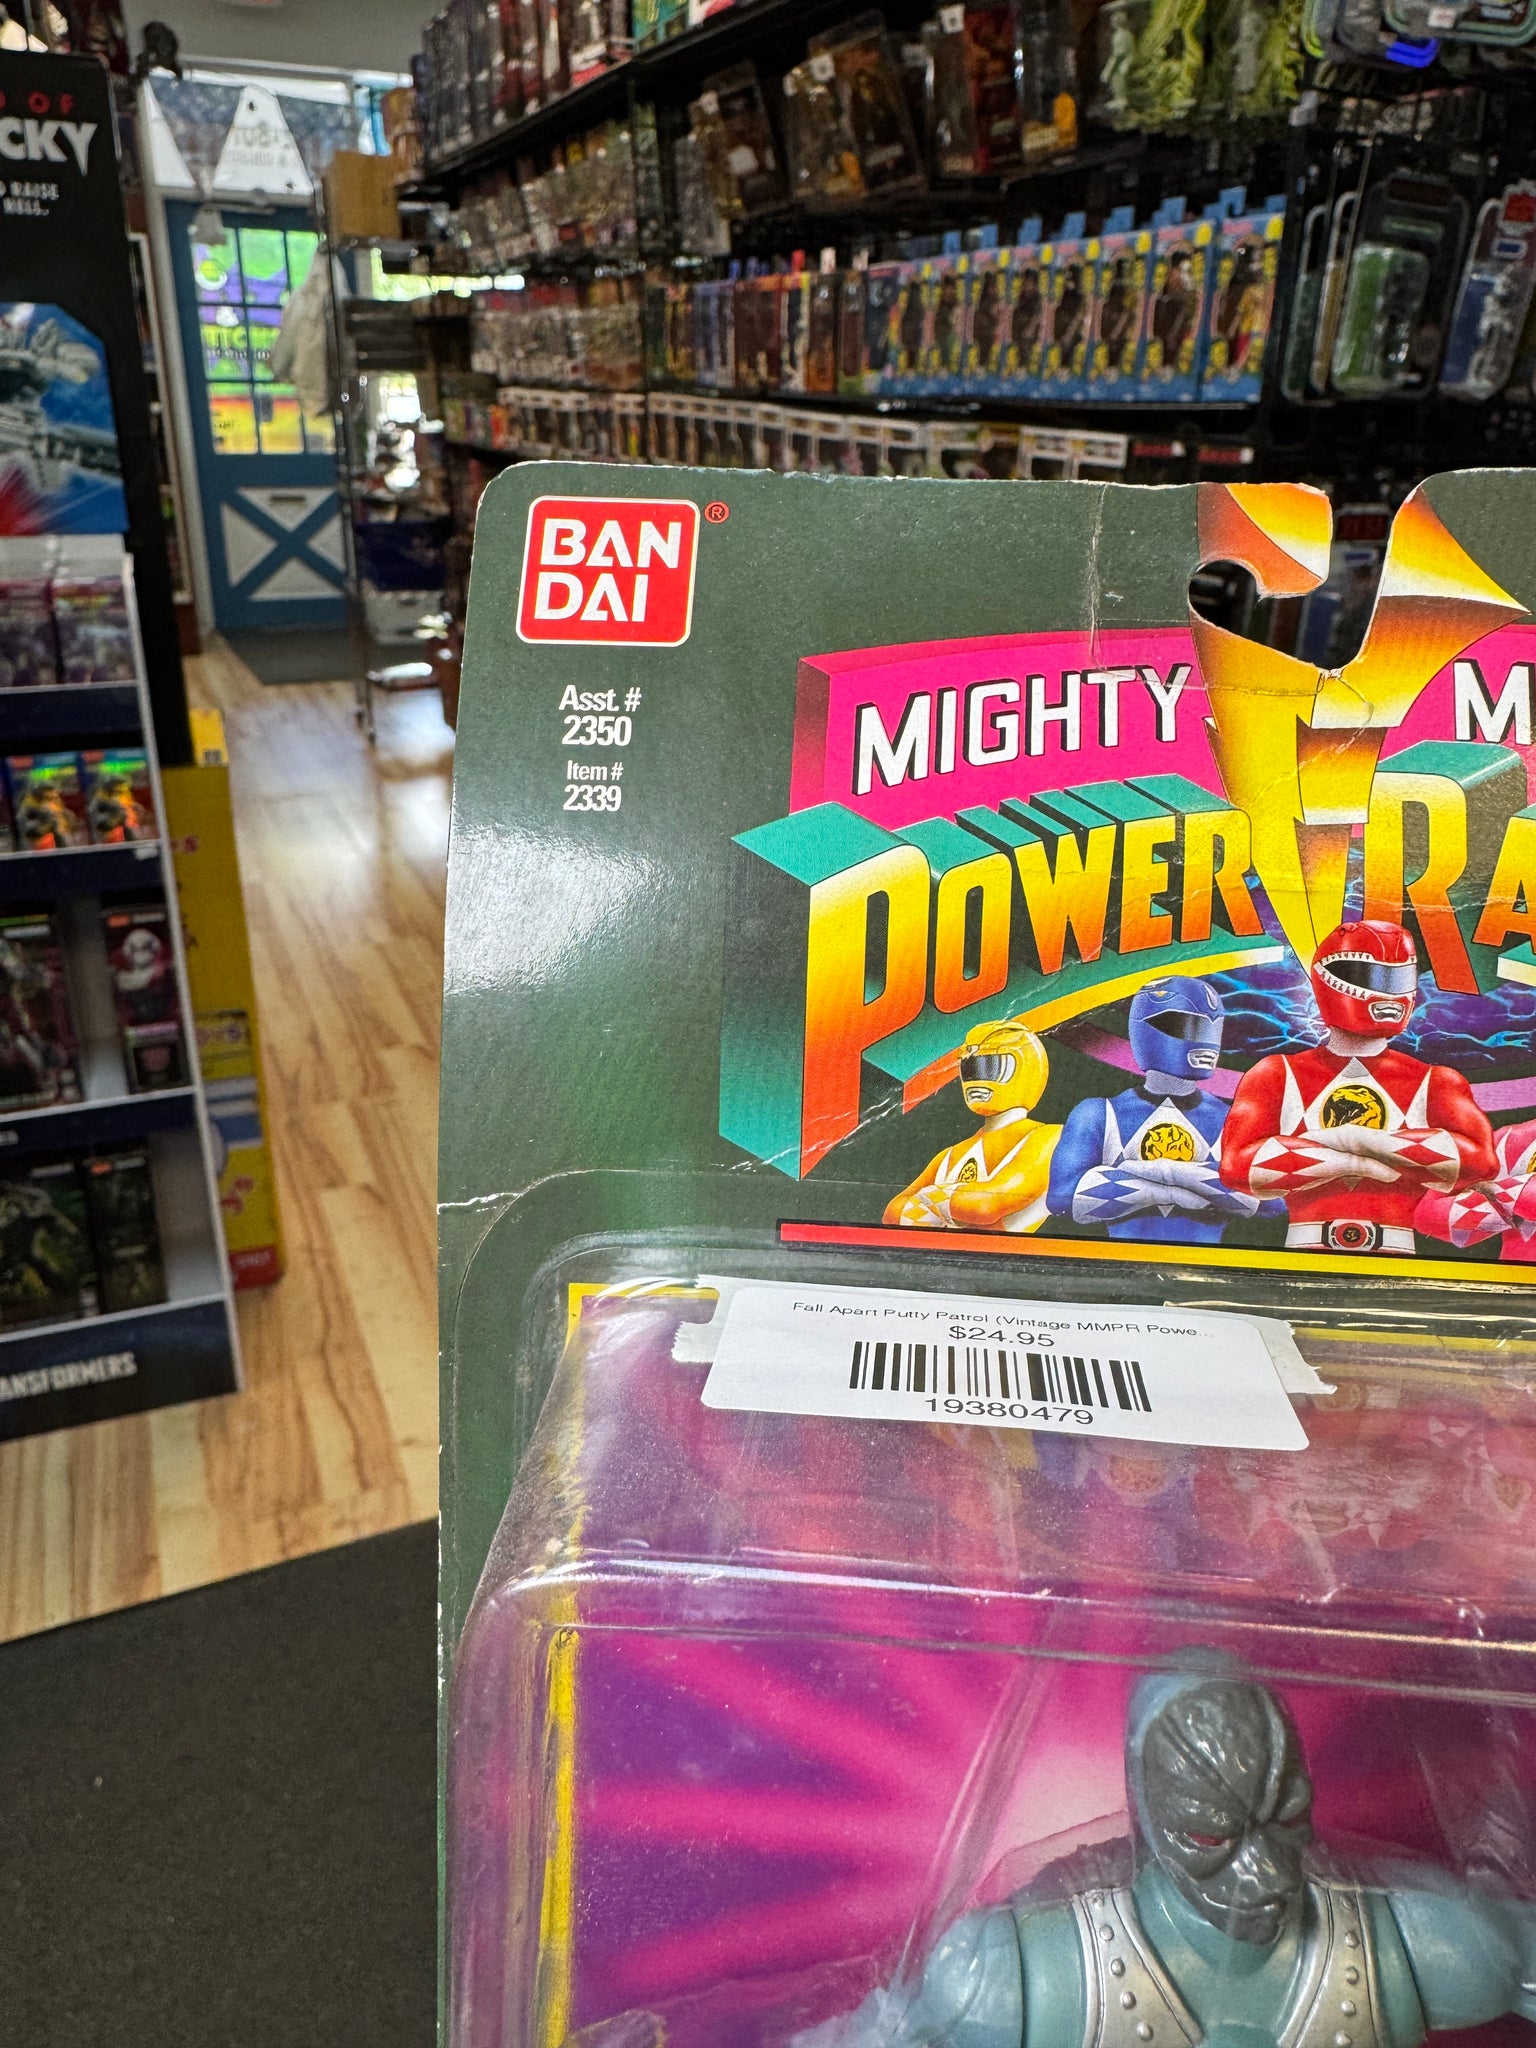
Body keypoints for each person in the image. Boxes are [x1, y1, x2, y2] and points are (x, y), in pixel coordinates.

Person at [798, 1667, 1536, 2048]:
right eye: (1213, 1839)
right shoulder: (1013, 1975)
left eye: (1286, 1818)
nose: (1266, 1873)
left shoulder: (1418, 1941)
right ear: (1147, 1815)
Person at [1222, 921, 1494, 1258]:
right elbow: (1238, 1167)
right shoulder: (1277, 1073)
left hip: (1399, 1252)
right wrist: (1356, 1161)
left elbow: (1479, 1162)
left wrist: (1353, 1139)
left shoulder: (1437, 1080)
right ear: (1328, 979)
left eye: (1397, 979)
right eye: (1372, 977)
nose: (1389, 993)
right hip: (1304, 1250)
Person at [1047, 977, 1272, 1244]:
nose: (1205, 1040)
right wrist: (1197, 1186)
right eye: (1188, 1025)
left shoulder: (1231, 1118)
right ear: (1145, 1028)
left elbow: (1272, 1201)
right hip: (1123, 1260)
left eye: (1212, 1027)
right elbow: (1062, 1199)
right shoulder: (1099, 1113)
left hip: (1203, 1263)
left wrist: (1158, 1173)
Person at [884, 1021, 1059, 1235]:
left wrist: (927, 1204)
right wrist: (949, 1203)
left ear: (1025, 1069)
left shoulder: (1049, 1137)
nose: (977, 1078)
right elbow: (892, 1214)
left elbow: (985, 1205)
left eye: (990, 1067)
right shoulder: (949, 1155)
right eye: (970, 1068)